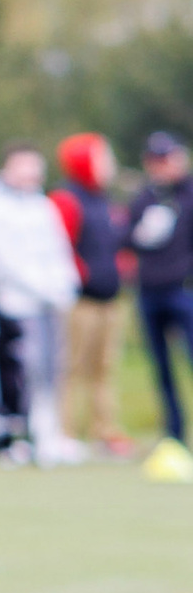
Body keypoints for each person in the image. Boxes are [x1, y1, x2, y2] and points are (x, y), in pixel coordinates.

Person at [0, 147, 82, 461]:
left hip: (49, 301)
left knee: (53, 370)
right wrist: (39, 287)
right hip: (15, 303)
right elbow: (0, 255)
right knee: (25, 370)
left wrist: (65, 285)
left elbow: (58, 249)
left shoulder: (41, 206)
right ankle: (22, 435)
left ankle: (50, 433)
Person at [50, 134, 130, 455]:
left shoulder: (104, 200)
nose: (109, 164)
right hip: (79, 301)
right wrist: (81, 275)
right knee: (70, 368)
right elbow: (60, 248)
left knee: (103, 370)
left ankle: (104, 431)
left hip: (109, 300)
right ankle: (64, 433)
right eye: (102, 158)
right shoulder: (66, 199)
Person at [131, 132, 193, 447]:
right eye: (156, 160)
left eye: (168, 158)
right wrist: (139, 232)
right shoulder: (145, 198)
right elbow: (126, 238)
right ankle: (174, 435)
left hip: (183, 291)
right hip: (150, 292)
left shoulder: (189, 194)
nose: (163, 166)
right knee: (162, 369)